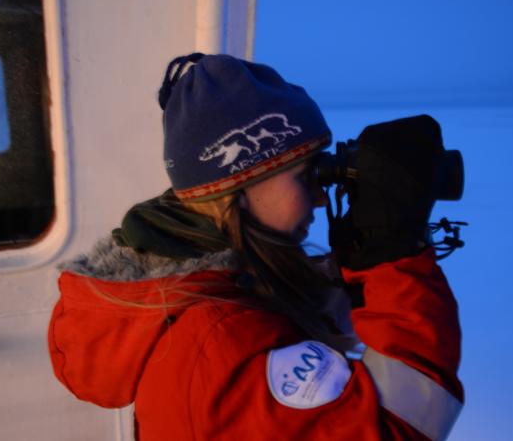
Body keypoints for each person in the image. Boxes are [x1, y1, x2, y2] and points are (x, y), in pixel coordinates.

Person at [48, 53, 464, 440]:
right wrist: (392, 257)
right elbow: (398, 426)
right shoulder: (221, 346)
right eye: (306, 175)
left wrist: (359, 258)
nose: (322, 197)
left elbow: (297, 315)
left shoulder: (214, 290)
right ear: (238, 187)